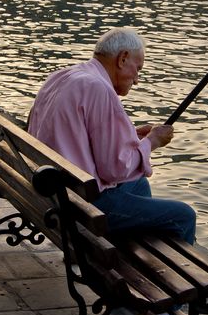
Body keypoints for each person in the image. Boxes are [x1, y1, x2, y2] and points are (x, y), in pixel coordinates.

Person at [27, 27, 196, 244]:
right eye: (138, 68)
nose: (136, 79)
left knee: (139, 184)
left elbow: (76, 135)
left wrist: (132, 136)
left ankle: (130, 255)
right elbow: (114, 169)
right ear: (123, 58)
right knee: (183, 215)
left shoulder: (63, 76)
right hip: (83, 206)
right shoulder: (99, 89)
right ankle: (168, 273)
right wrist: (151, 142)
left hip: (54, 191)